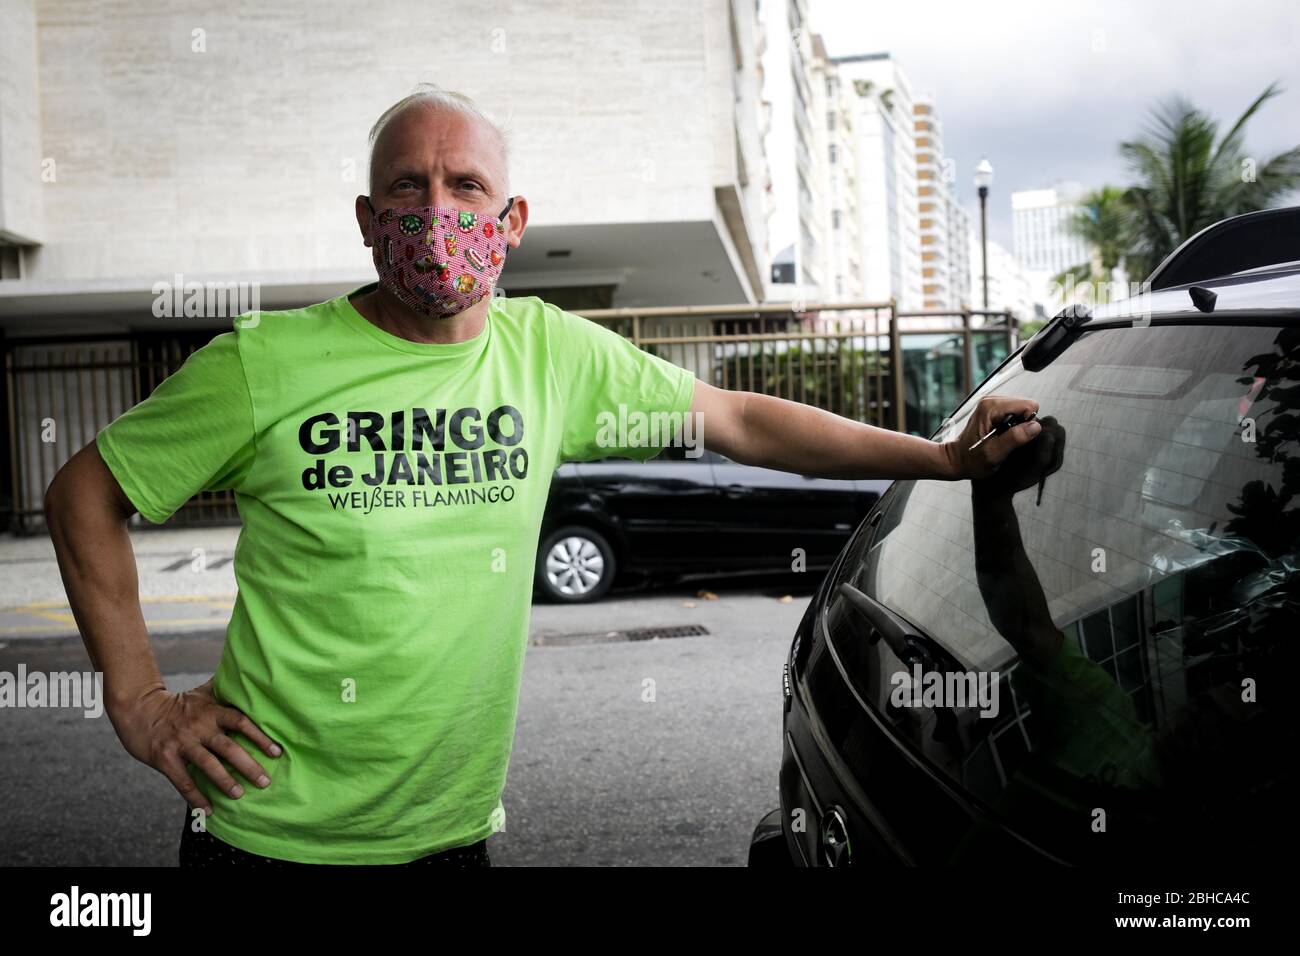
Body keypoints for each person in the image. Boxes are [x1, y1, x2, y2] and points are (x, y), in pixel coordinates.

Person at [42, 83, 1044, 866]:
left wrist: (945, 457)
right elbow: (86, 489)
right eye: (406, 187)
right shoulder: (267, 361)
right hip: (266, 838)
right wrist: (137, 699)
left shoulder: (549, 356)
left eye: (464, 186)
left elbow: (738, 417)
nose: (436, 213)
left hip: (450, 835)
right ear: (364, 216)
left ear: (512, 218)